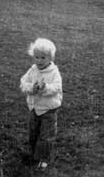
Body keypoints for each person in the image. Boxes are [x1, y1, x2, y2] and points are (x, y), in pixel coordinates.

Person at [20, 38, 63, 171]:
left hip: (48, 110)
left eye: (43, 58)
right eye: (36, 57)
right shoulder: (33, 69)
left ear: (50, 58)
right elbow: (23, 82)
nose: (39, 60)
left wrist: (45, 88)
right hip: (34, 108)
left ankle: (44, 158)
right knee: (33, 133)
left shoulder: (54, 72)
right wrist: (31, 88)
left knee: (46, 136)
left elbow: (56, 88)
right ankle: (33, 154)